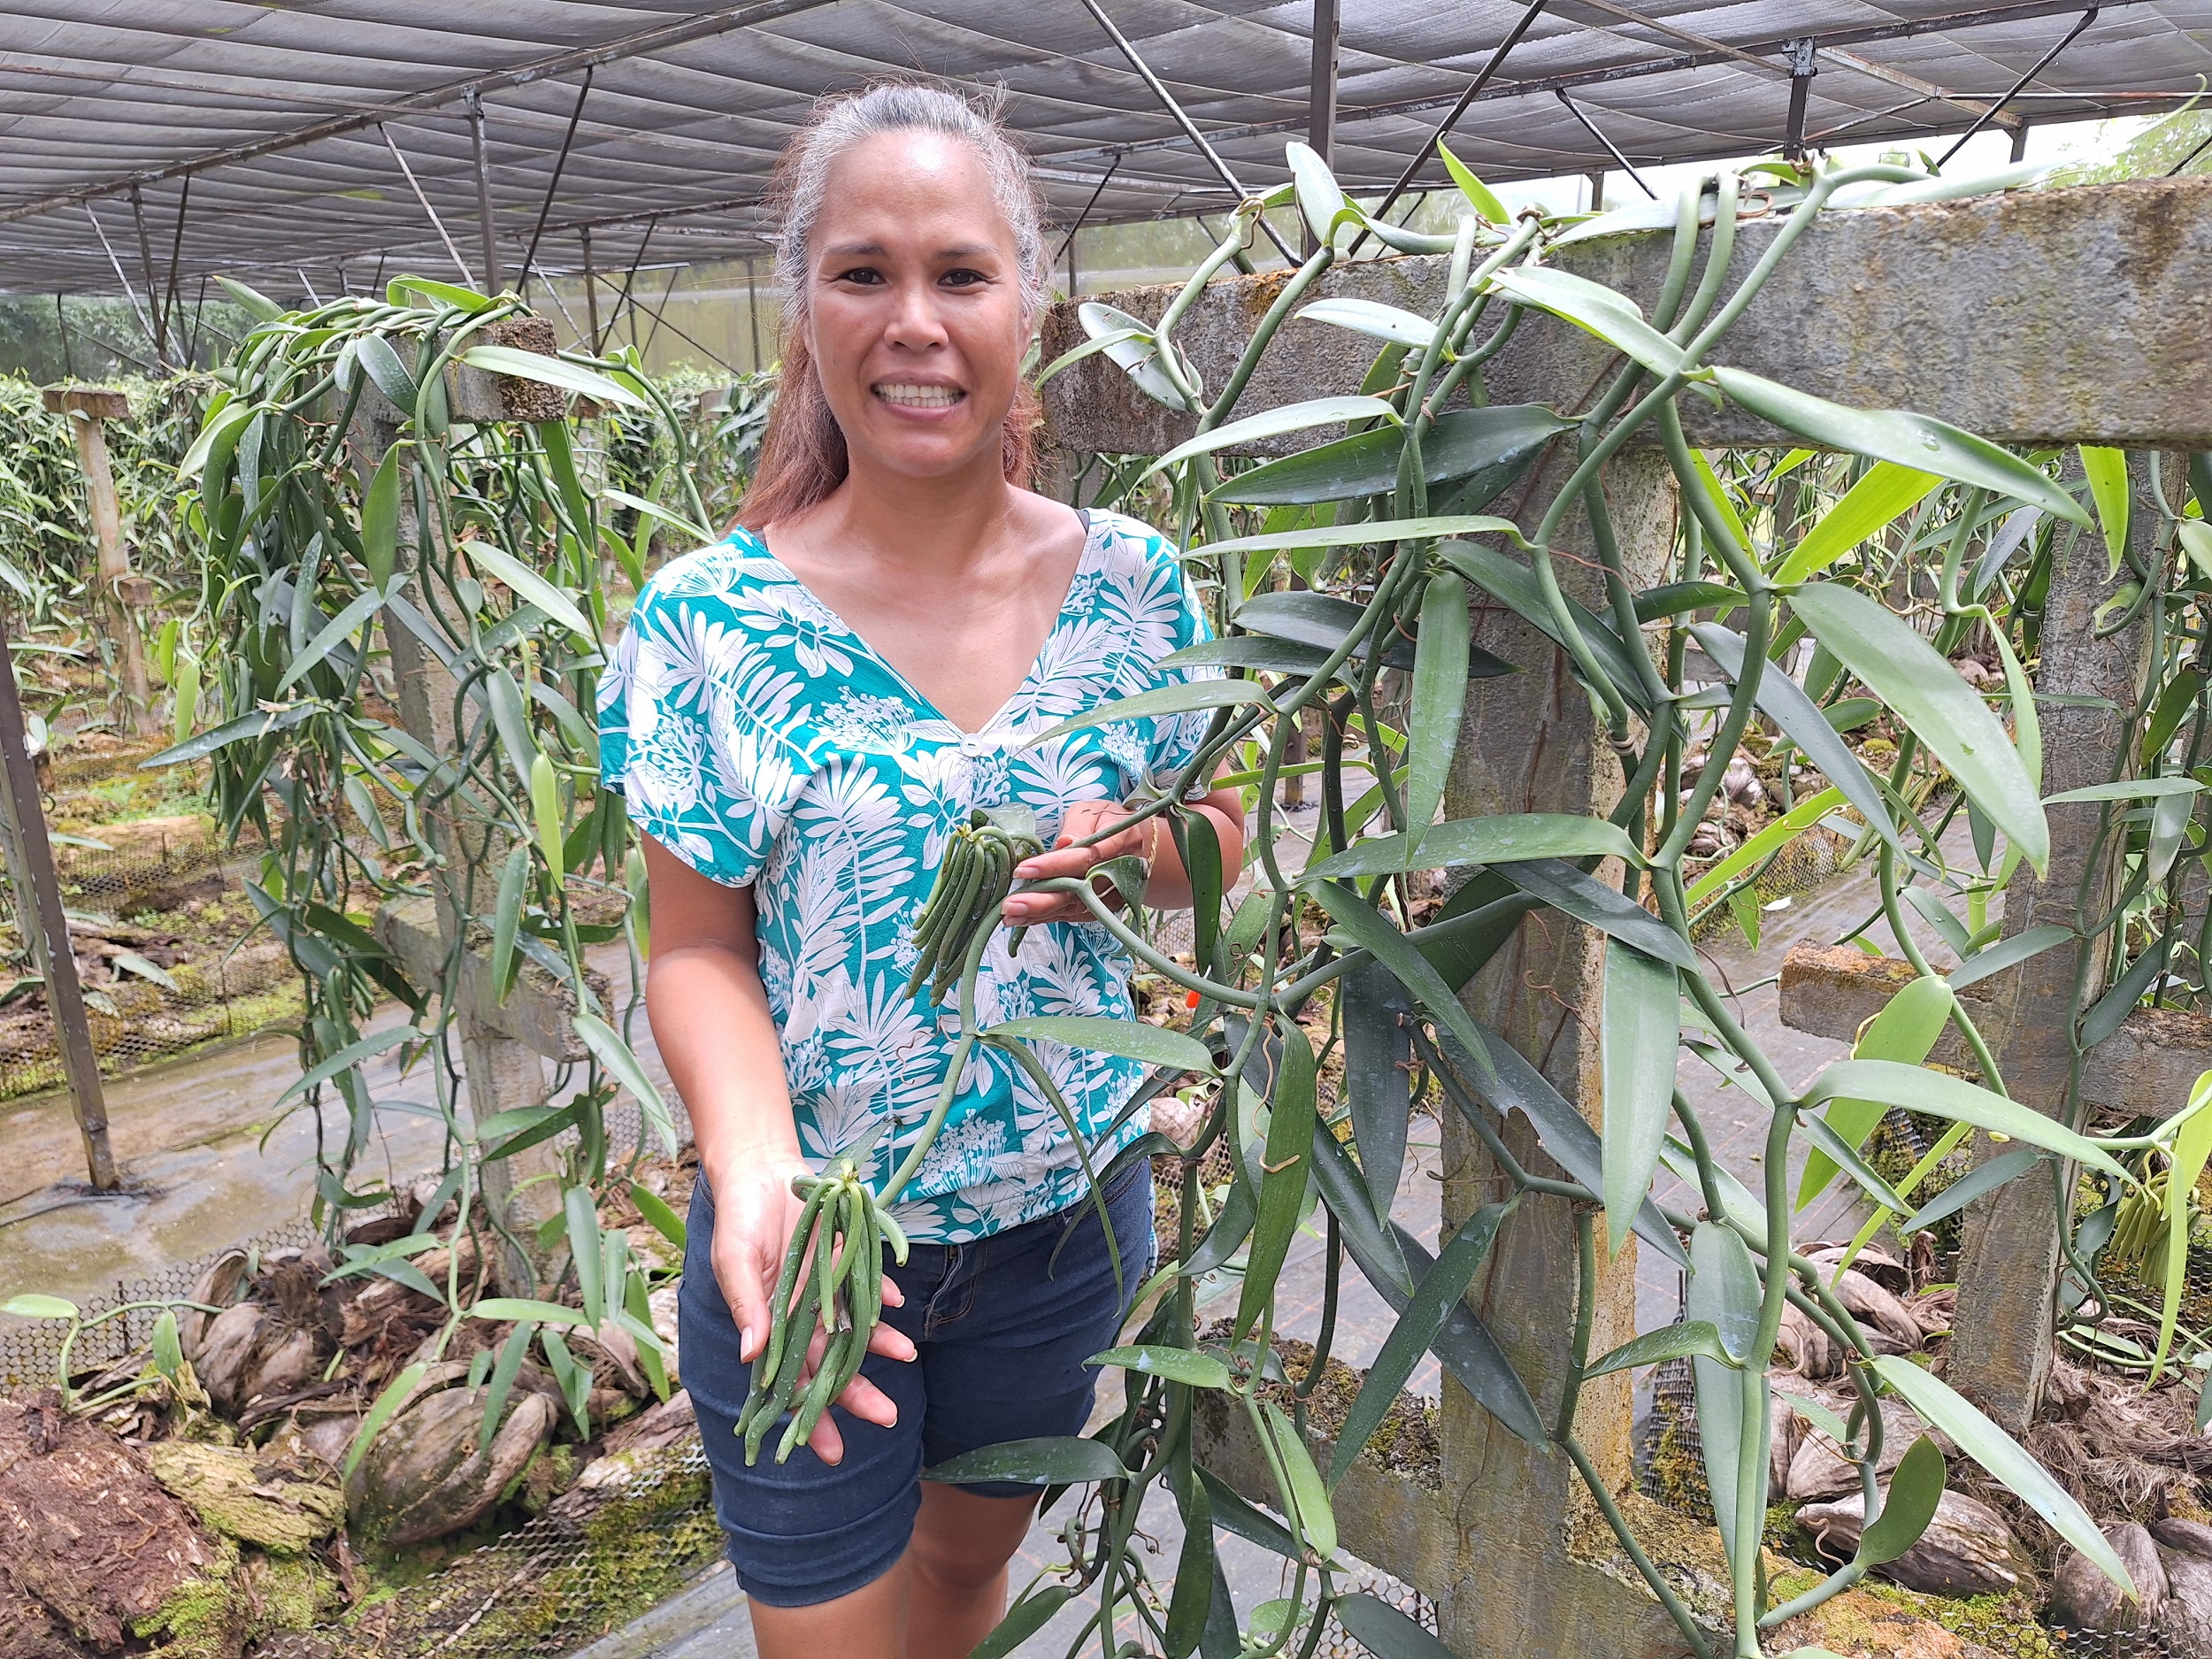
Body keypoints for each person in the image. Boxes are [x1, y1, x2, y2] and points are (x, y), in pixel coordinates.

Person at [595, 81, 1246, 1659]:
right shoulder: (708, 623)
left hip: (1062, 1223)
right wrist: (754, 1171)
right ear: (802, 309)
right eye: (862, 274)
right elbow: (693, 950)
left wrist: (1132, 861)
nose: (915, 323)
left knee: (960, 1582)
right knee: (828, 1629)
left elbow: (1221, 838)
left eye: (960, 274)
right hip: (811, 1243)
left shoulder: (1137, 588)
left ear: (1029, 300)